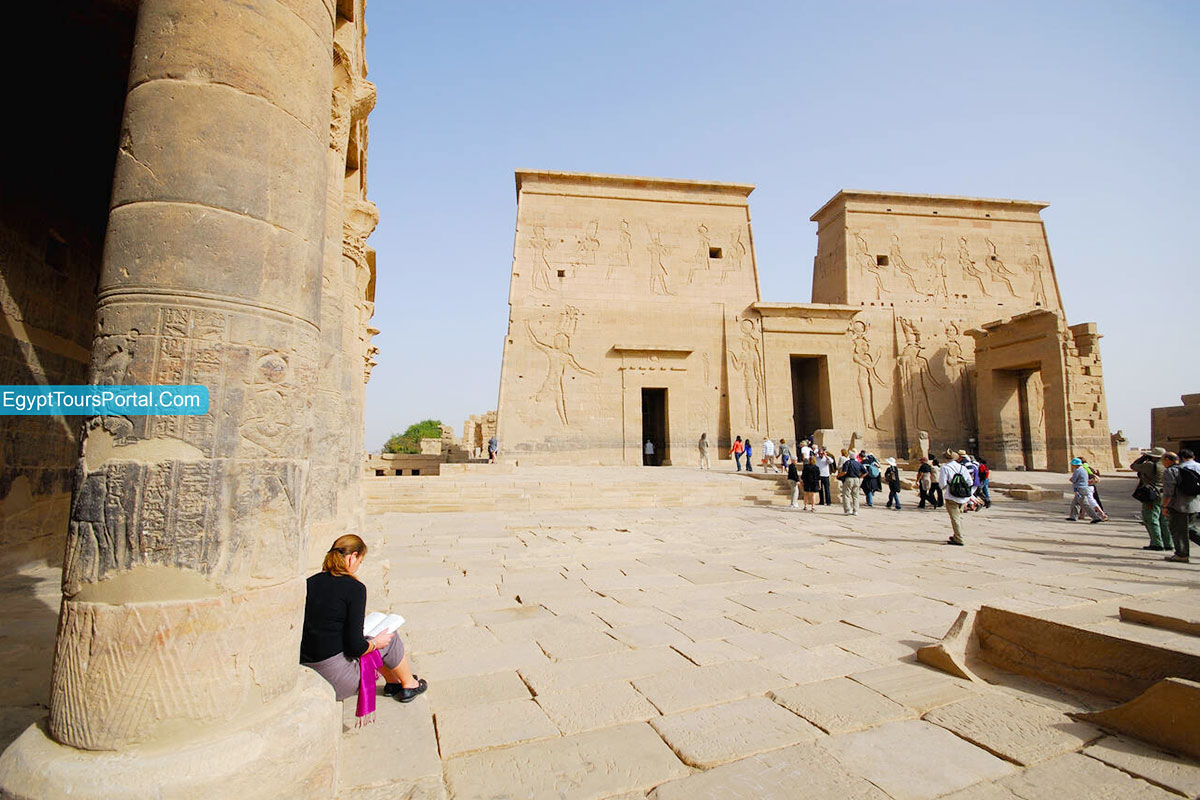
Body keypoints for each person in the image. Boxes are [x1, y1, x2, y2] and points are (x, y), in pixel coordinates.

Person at [301, 535, 427, 717]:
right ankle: (409, 684)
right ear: (352, 557)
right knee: (388, 637)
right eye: (360, 561)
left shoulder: (310, 582)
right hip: (336, 678)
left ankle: (392, 682)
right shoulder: (354, 588)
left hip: (309, 665)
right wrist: (376, 643)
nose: (358, 566)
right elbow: (355, 647)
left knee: (374, 637)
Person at [1162, 449, 1200, 564]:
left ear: (1168, 460)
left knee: (1179, 530)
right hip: (1193, 504)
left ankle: (1181, 554)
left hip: (1179, 506)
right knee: (1191, 529)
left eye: (1163, 460)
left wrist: (1165, 506)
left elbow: (1169, 491)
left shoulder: (1170, 471)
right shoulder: (1185, 469)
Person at [1132, 447, 1170, 551]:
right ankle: (1168, 543)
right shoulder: (1166, 466)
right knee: (1163, 520)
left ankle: (1157, 543)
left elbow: (1133, 466)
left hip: (1152, 495)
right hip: (1164, 494)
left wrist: (1143, 458)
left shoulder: (1150, 465)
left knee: (1151, 518)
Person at [939, 449, 976, 545]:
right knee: (958, 517)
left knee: (955, 518)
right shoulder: (962, 467)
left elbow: (942, 484)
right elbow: (970, 482)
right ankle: (957, 535)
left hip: (951, 496)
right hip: (963, 497)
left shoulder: (945, 468)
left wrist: (950, 487)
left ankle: (959, 538)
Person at [1067, 457, 1105, 523]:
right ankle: (1073, 517)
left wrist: (1071, 479)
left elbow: (1073, 479)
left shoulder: (1078, 470)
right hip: (1082, 488)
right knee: (1075, 503)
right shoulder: (1083, 469)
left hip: (1080, 489)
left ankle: (1095, 517)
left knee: (1085, 504)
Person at [838, 451, 864, 515]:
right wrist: (860, 477)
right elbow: (865, 472)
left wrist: (838, 476)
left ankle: (847, 510)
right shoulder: (859, 464)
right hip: (857, 479)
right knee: (855, 496)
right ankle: (855, 511)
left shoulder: (847, 463)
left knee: (846, 495)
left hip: (849, 479)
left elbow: (844, 472)